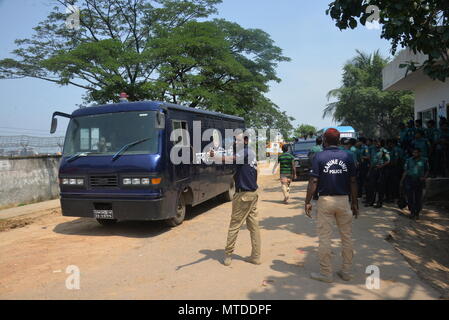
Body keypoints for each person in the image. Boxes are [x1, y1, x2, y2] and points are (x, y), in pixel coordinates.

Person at [304, 128, 358, 283]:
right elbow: (353, 181)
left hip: (325, 201)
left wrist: (307, 201)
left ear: (324, 141)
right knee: (346, 237)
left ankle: (326, 273)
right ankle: (346, 272)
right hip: (344, 200)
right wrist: (354, 202)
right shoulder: (348, 156)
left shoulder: (319, 156)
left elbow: (314, 181)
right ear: (339, 140)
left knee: (325, 238)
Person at [209, 134, 261, 266]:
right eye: (234, 140)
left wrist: (216, 156)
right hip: (253, 194)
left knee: (234, 226)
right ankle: (256, 256)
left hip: (243, 195)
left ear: (245, 141)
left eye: (238, 140)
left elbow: (230, 158)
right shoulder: (250, 153)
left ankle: (228, 255)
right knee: (253, 227)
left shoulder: (244, 152)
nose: (235, 142)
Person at [400, 148, 429, 221]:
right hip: (409, 180)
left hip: (419, 180)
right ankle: (412, 212)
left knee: (418, 198)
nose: (414, 154)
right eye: (413, 152)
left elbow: (427, 170)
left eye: (416, 153)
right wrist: (401, 181)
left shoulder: (424, 160)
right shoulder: (408, 160)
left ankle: (417, 213)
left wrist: (424, 177)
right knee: (410, 197)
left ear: (419, 153)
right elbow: (406, 171)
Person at [366, 140, 390, 208]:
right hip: (373, 169)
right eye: (375, 142)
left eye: (378, 142)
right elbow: (371, 160)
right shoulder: (372, 149)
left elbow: (388, 161)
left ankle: (379, 203)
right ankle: (371, 202)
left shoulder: (384, 151)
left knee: (380, 187)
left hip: (381, 170)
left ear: (381, 143)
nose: (376, 143)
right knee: (371, 186)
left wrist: (381, 166)